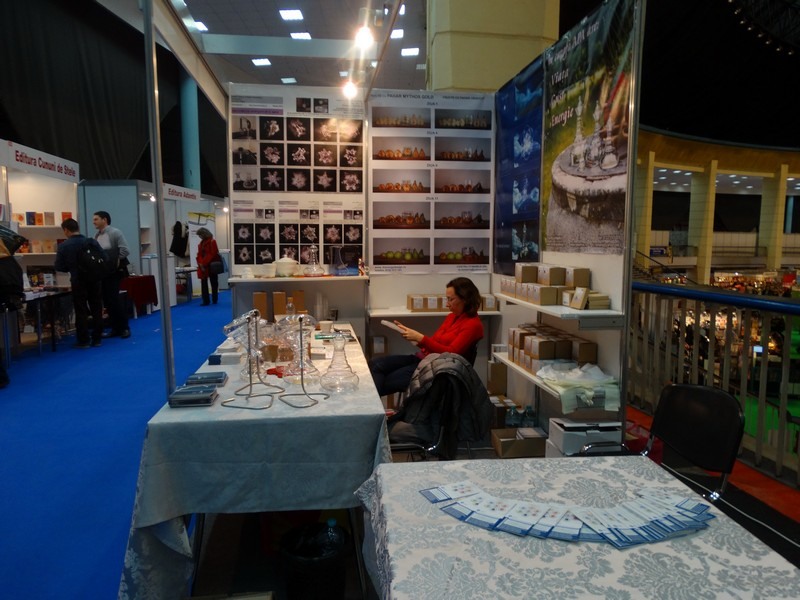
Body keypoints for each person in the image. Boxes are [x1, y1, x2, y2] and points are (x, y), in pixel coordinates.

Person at [368, 277, 484, 397]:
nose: (447, 304)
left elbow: (451, 354)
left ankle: (370, 406)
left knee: (383, 381)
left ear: (465, 299)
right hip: (424, 360)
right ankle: (371, 405)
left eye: (451, 299)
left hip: (436, 369)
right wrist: (414, 337)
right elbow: (433, 343)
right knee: (375, 364)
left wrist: (421, 338)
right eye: (447, 299)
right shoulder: (452, 317)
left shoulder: (473, 325)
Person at [54, 218, 105, 349]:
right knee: (96, 307)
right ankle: (97, 338)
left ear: (66, 230)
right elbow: (104, 258)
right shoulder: (91, 241)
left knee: (80, 310)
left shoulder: (64, 246)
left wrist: (72, 268)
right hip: (95, 279)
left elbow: (59, 266)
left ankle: (83, 340)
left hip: (78, 280)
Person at [92, 211, 131, 338]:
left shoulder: (115, 233)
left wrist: (113, 261)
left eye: (96, 219)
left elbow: (125, 250)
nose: (93, 222)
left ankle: (124, 328)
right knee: (107, 301)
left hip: (114, 272)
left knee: (114, 299)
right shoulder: (96, 236)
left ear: (104, 220)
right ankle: (115, 328)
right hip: (103, 272)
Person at [195, 227, 221, 305]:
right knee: (204, 283)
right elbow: (199, 254)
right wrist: (200, 263)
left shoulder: (212, 242)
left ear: (204, 234)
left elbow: (212, 254)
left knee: (214, 283)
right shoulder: (201, 243)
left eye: (200, 235)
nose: (199, 237)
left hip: (211, 265)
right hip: (204, 266)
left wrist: (203, 263)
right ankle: (205, 300)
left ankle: (214, 299)